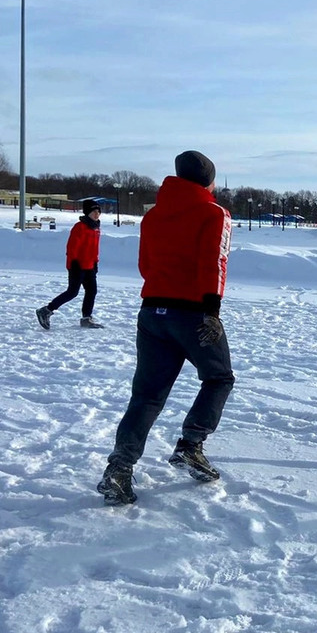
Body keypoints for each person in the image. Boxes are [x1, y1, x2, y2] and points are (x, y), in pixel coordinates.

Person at [96, 150, 235, 505]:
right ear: (207, 180)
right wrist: (211, 310)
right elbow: (214, 261)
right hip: (192, 313)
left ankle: (120, 469)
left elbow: (146, 264)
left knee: (147, 395)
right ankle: (191, 444)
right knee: (218, 377)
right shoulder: (214, 212)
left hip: (152, 311)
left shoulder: (154, 215)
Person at [36, 200, 103, 329]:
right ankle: (46, 310)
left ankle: (86, 318)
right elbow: (72, 247)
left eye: (98, 211)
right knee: (72, 292)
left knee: (92, 291)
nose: (97, 214)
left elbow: (94, 248)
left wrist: (95, 263)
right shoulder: (80, 227)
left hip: (90, 265)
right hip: (77, 265)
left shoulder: (96, 228)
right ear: (87, 212)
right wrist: (74, 263)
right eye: (94, 211)